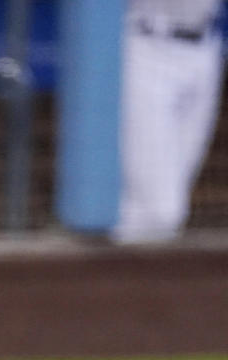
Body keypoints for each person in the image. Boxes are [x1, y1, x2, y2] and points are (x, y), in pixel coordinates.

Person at [113, 0, 225, 244]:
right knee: (161, 211)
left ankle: (122, 276)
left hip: (204, 48)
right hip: (146, 44)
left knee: (166, 206)